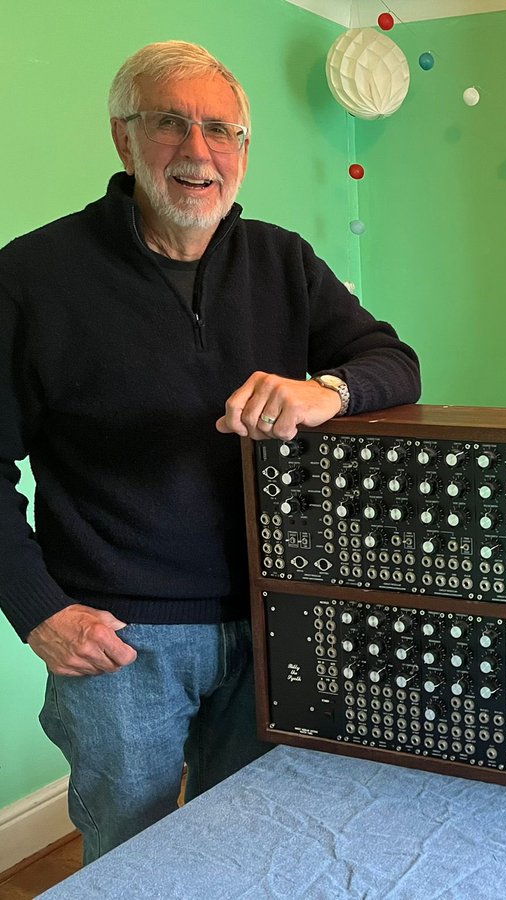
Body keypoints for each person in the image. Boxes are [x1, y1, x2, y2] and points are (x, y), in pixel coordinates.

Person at [0, 41, 420, 863]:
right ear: (124, 139)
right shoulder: (31, 276)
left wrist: (322, 391)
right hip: (121, 640)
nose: (199, 152)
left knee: (260, 843)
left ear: (244, 152)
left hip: (275, 616)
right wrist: (36, 610)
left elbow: (392, 362)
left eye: (222, 131)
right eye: (172, 124)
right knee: (134, 858)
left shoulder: (281, 258)